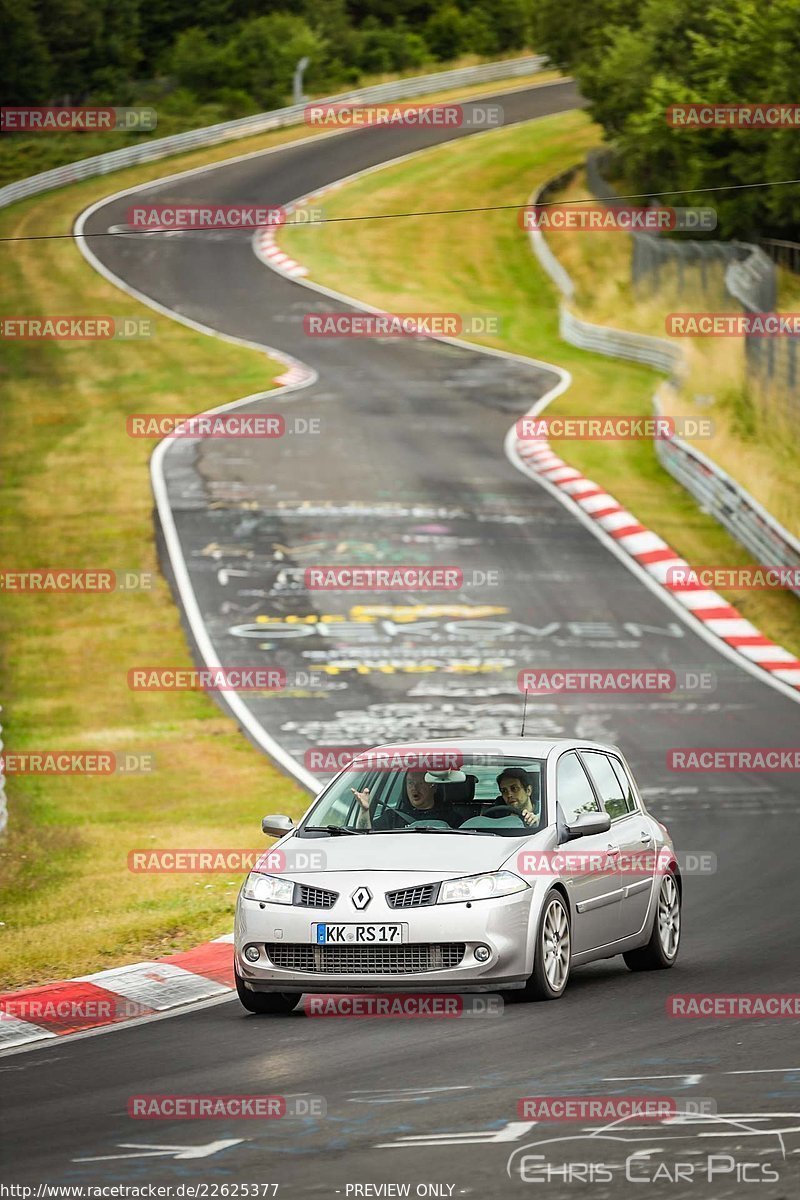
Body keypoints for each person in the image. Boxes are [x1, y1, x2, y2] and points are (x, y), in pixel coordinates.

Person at [352, 770, 459, 830]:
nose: (414, 788)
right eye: (410, 783)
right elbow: (365, 836)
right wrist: (364, 811)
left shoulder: (452, 818)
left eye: (420, 783)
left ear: (434, 787)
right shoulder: (392, 817)